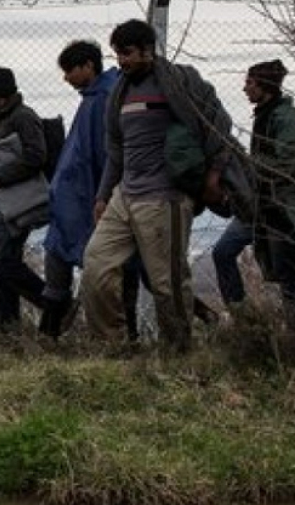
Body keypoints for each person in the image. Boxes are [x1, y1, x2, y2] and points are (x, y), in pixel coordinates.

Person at [81, 19, 236, 352]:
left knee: (168, 284)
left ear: (148, 51)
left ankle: (179, 351)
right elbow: (116, 150)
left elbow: (218, 125)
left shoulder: (180, 82)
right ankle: (115, 346)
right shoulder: (120, 92)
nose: (121, 61)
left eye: (127, 53)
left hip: (164, 197)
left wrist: (213, 175)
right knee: (96, 266)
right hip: (126, 194)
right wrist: (102, 195)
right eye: (117, 54)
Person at [37, 41, 120, 337]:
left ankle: (56, 332)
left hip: (89, 201)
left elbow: (102, 154)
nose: (66, 78)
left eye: (70, 70)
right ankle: (51, 332)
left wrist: (101, 195)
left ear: (88, 66)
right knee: (58, 262)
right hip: (75, 202)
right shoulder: (94, 98)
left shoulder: (104, 99)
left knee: (98, 271)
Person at [0, 66, 48, 332]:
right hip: (8, 203)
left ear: (1, 97)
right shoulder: (10, 118)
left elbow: (35, 155)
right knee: (3, 264)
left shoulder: (22, 118)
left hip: (19, 203)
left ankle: (54, 304)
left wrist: (0, 177)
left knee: (5, 263)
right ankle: (6, 326)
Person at [242, 59, 295, 328]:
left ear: (265, 86)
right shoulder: (267, 114)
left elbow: (288, 165)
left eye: (250, 82)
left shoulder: (283, 119)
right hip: (269, 209)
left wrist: (249, 163)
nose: (244, 88)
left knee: (289, 279)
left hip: (283, 210)